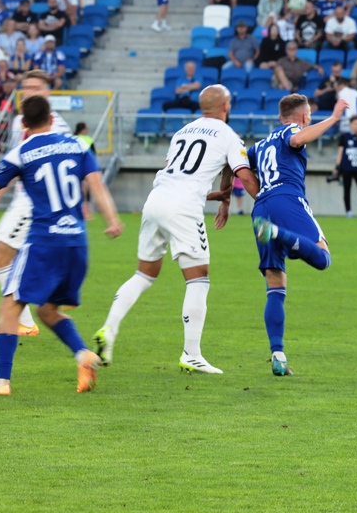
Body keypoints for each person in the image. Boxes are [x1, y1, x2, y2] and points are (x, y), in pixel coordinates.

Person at [0, 96, 123, 395]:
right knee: (47, 311)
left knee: (9, 305)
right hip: (77, 243)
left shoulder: (22, 152)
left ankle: (1, 382)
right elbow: (97, 185)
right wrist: (112, 220)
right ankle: (83, 354)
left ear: (23, 123)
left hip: (45, 242)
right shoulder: (77, 145)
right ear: (52, 118)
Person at [96, 86, 260, 374]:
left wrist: (221, 199)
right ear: (226, 106)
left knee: (144, 274)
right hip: (183, 208)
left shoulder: (182, 133)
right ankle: (191, 354)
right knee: (198, 279)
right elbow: (244, 176)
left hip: (155, 200)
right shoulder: (228, 135)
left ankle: (109, 328)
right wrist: (268, 203)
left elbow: (181, 174)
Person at [249, 95, 349, 377]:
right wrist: (333, 118)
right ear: (304, 117)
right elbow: (296, 140)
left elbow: (236, 167)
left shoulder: (259, 145)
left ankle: (278, 354)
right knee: (323, 259)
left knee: (275, 284)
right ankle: (279, 234)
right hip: (287, 200)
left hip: (261, 207)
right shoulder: (292, 130)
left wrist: (225, 197)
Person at [0, 71, 72, 337]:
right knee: (21, 260)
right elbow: (14, 162)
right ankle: (42, 306)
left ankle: (26, 321)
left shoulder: (57, 127)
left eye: (36, 88)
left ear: (48, 93)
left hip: (34, 202)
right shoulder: (20, 122)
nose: (29, 92)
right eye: (26, 87)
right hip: (24, 199)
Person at [335, 115, 357, 218]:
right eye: (355, 124)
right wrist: (337, 166)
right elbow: (340, 152)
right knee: (347, 189)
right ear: (350, 124)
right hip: (347, 167)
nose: (356, 126)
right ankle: (348, 211)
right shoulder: (344, 136)